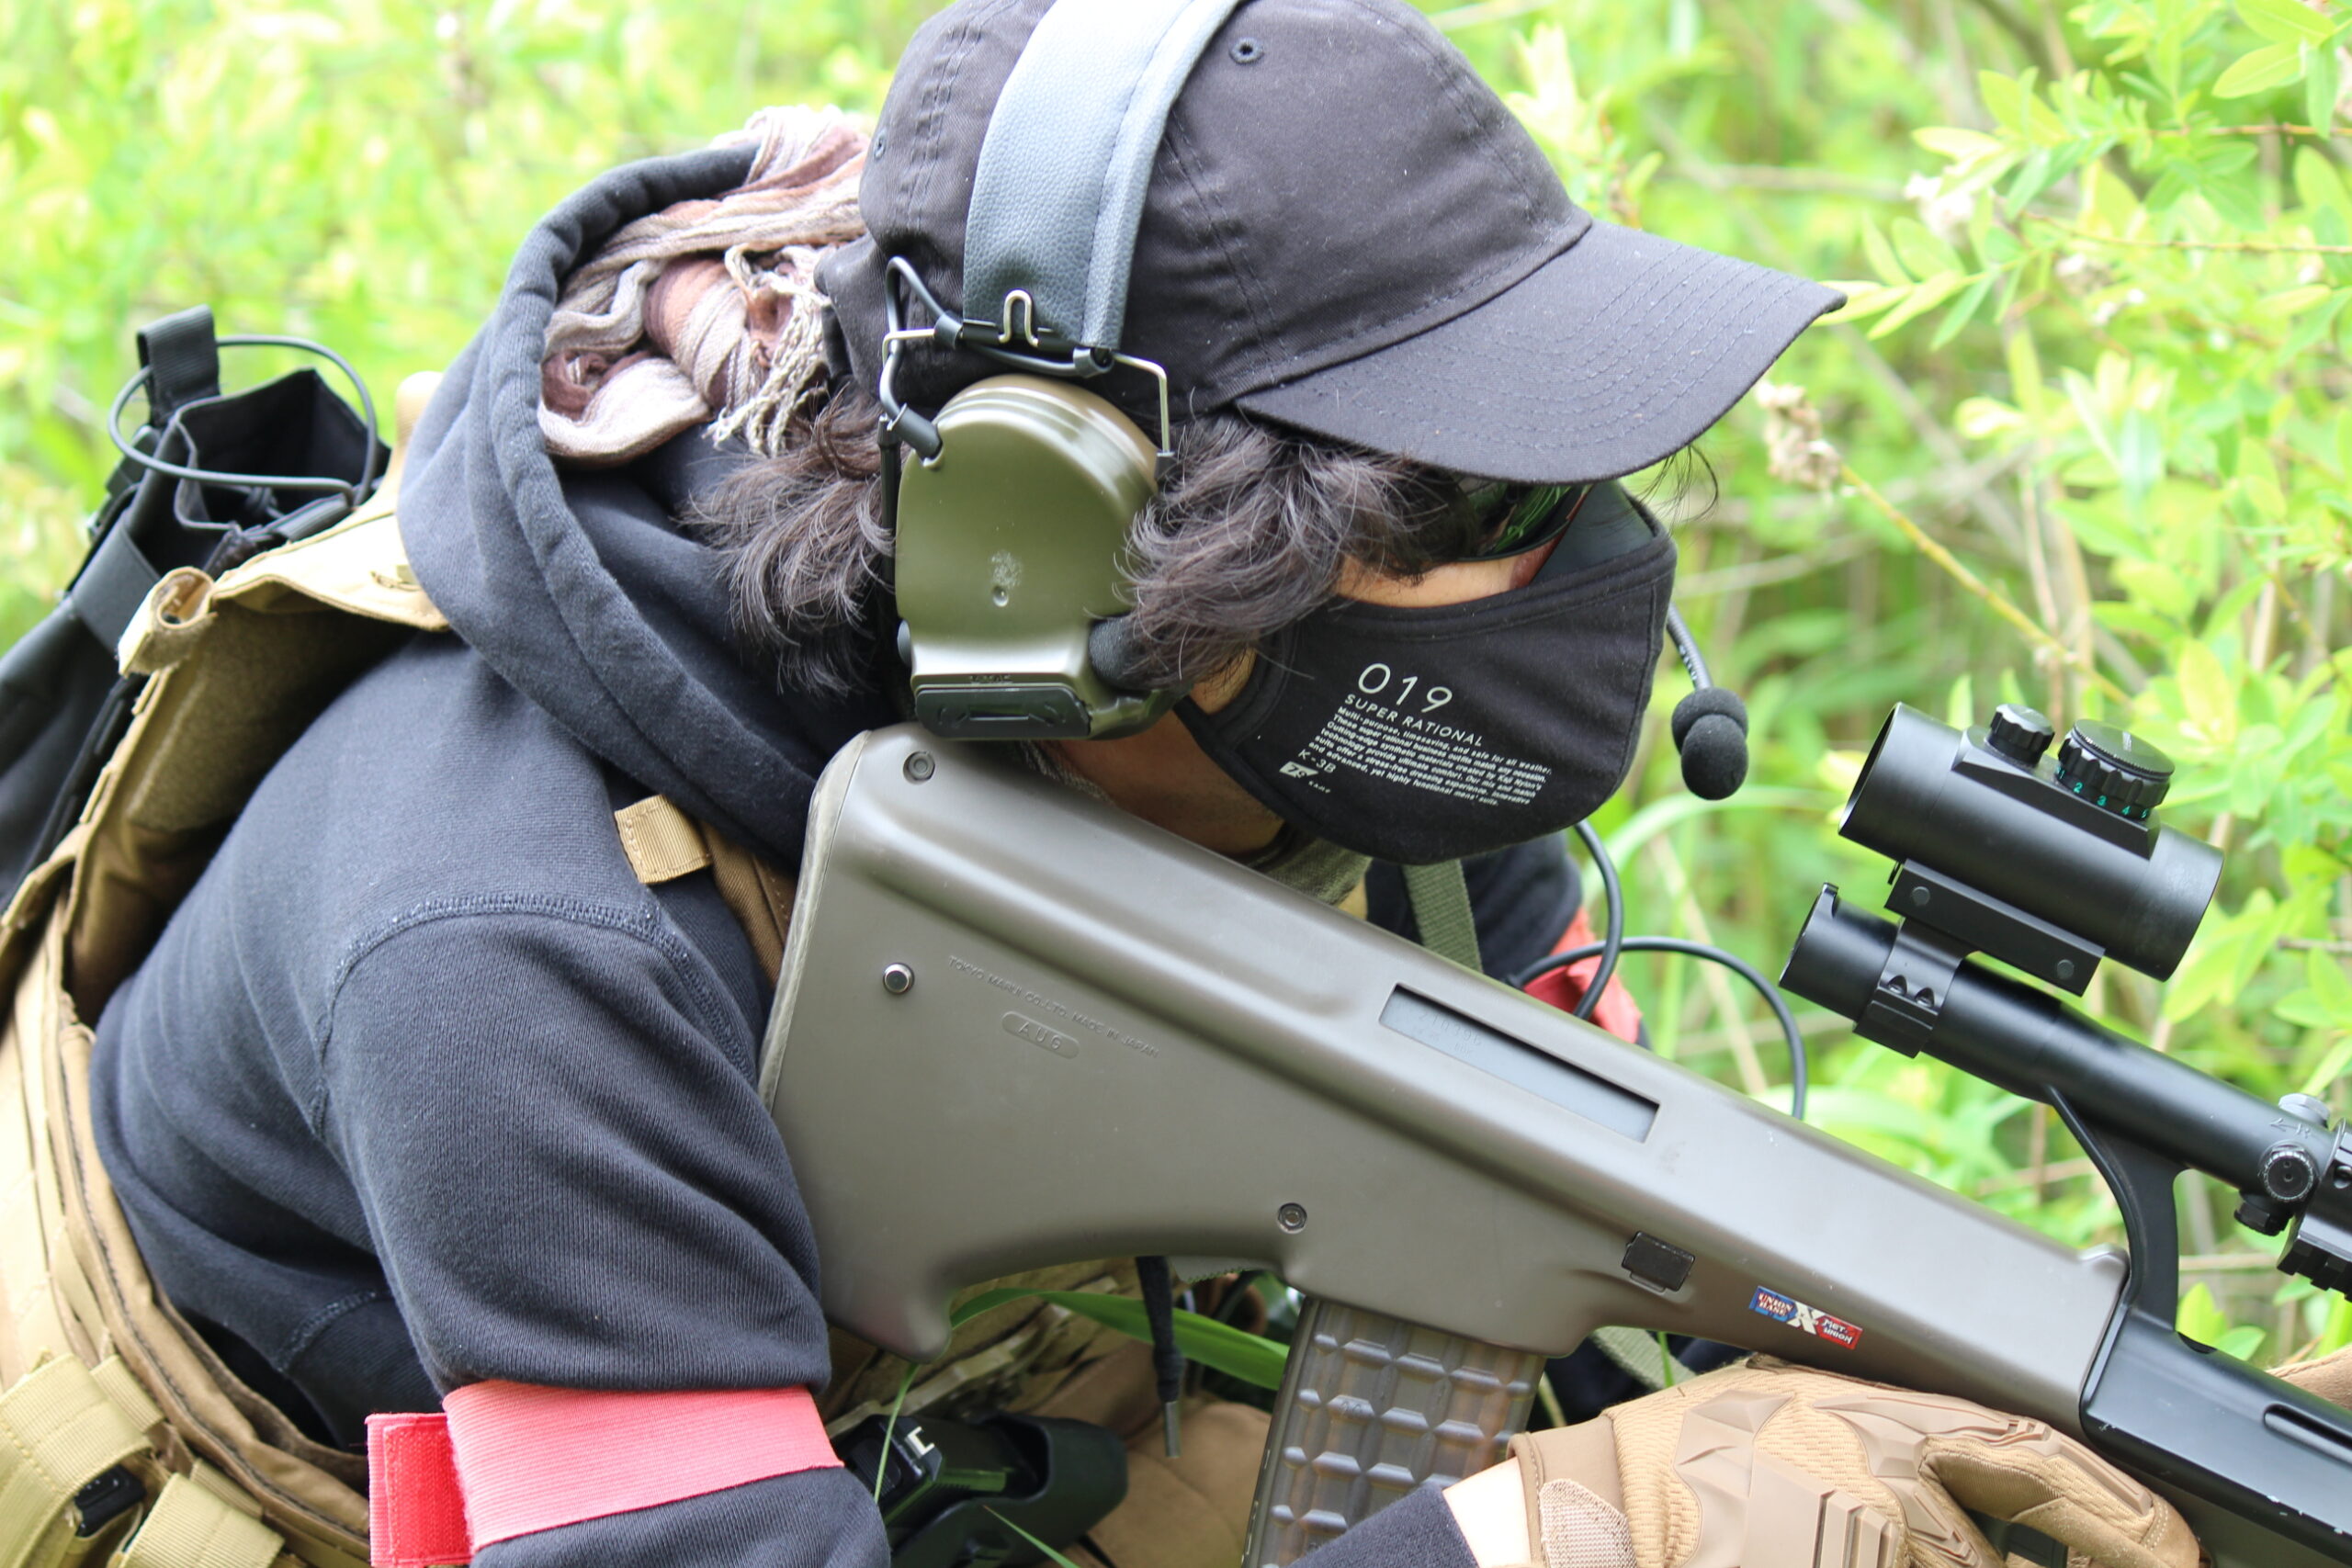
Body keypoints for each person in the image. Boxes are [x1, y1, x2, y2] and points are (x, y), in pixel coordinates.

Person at [74, 2, 2344, 1567]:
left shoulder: (1340, 756)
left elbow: (1607, 1268)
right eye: (1471, 504)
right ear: (1072, 557)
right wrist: (1545, 1537)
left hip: (888, 1402)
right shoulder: (510, 933)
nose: (1581, 573)